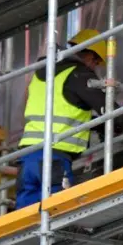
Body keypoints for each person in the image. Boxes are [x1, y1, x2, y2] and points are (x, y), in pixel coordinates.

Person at [14, 28, 107, 209]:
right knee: (55, 213)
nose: (95, 66)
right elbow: (107, 108)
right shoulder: (79, 74)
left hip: (27, 156)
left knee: (24, 219)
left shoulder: (43, 74)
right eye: (96, 61)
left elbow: (62, 106)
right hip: (54, 157)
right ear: (87, 54)